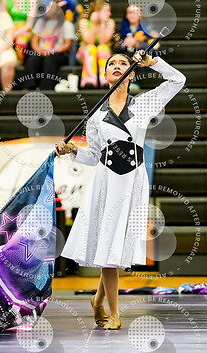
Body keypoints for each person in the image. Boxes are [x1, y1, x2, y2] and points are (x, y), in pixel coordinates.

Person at [56, 51, 186, 329]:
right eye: (111, 64)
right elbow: (93, 156)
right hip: (106, 183)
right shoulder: (96, 116)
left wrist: (154, 62)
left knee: (116, 249)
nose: (117, 66)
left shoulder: (144, 104)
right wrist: (71, 150)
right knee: (109, 249)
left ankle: (97, 300)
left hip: (133, 182)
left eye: (123, 63)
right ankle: (114, 313)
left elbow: (178, 80)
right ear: (105, 75)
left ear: (132, 73)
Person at [24, 2, 75, 90]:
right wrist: (39, 50)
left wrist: (53, 51)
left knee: (50, 61)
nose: (47, 10)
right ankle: (29, 86)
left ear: (58, 11)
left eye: (51, 8)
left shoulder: (66, 24)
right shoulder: (40, 22)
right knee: (32, 60)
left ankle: (46, 89)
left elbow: (67, 44)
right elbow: (34, 41)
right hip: (42, 51)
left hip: (58, 53)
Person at [77, 0, 115, 88]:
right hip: (84, 53)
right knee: (91, 48)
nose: (109, 14)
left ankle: (105, 80)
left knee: (102, 47)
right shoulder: (84, 22)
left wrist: (102, 24)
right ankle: (88, 80)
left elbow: (103, 41)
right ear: (97, 12)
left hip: (103, 54)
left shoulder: (110, 22)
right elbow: (89, 41)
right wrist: (94, 23)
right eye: (106, 11)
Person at [47, 0, 83, 66]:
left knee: (73, 38)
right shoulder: (47, 3)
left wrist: (77, 28)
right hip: (52, 28)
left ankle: (71, 65)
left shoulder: (72, 1)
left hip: (69, 27)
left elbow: (81, 15)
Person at [1, 0, 36, 64]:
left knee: (20, 42)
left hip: (26, 29)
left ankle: (19, 63)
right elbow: (4, 19)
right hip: (10, 28)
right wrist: (11, 32)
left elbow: (30, 23)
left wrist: (17, 32)